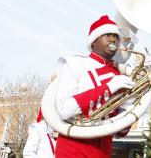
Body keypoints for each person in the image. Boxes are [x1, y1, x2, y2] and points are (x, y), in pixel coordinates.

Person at [54, 15, 134, 158]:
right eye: (107, 35)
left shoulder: (118, 74)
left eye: (116, 36)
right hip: (73, 149)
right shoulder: (75, 64)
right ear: (93, 42)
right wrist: (108, 88)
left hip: (103, 151)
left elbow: (121, 133)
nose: (113, 39)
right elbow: (64, 109)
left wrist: (127, 109)